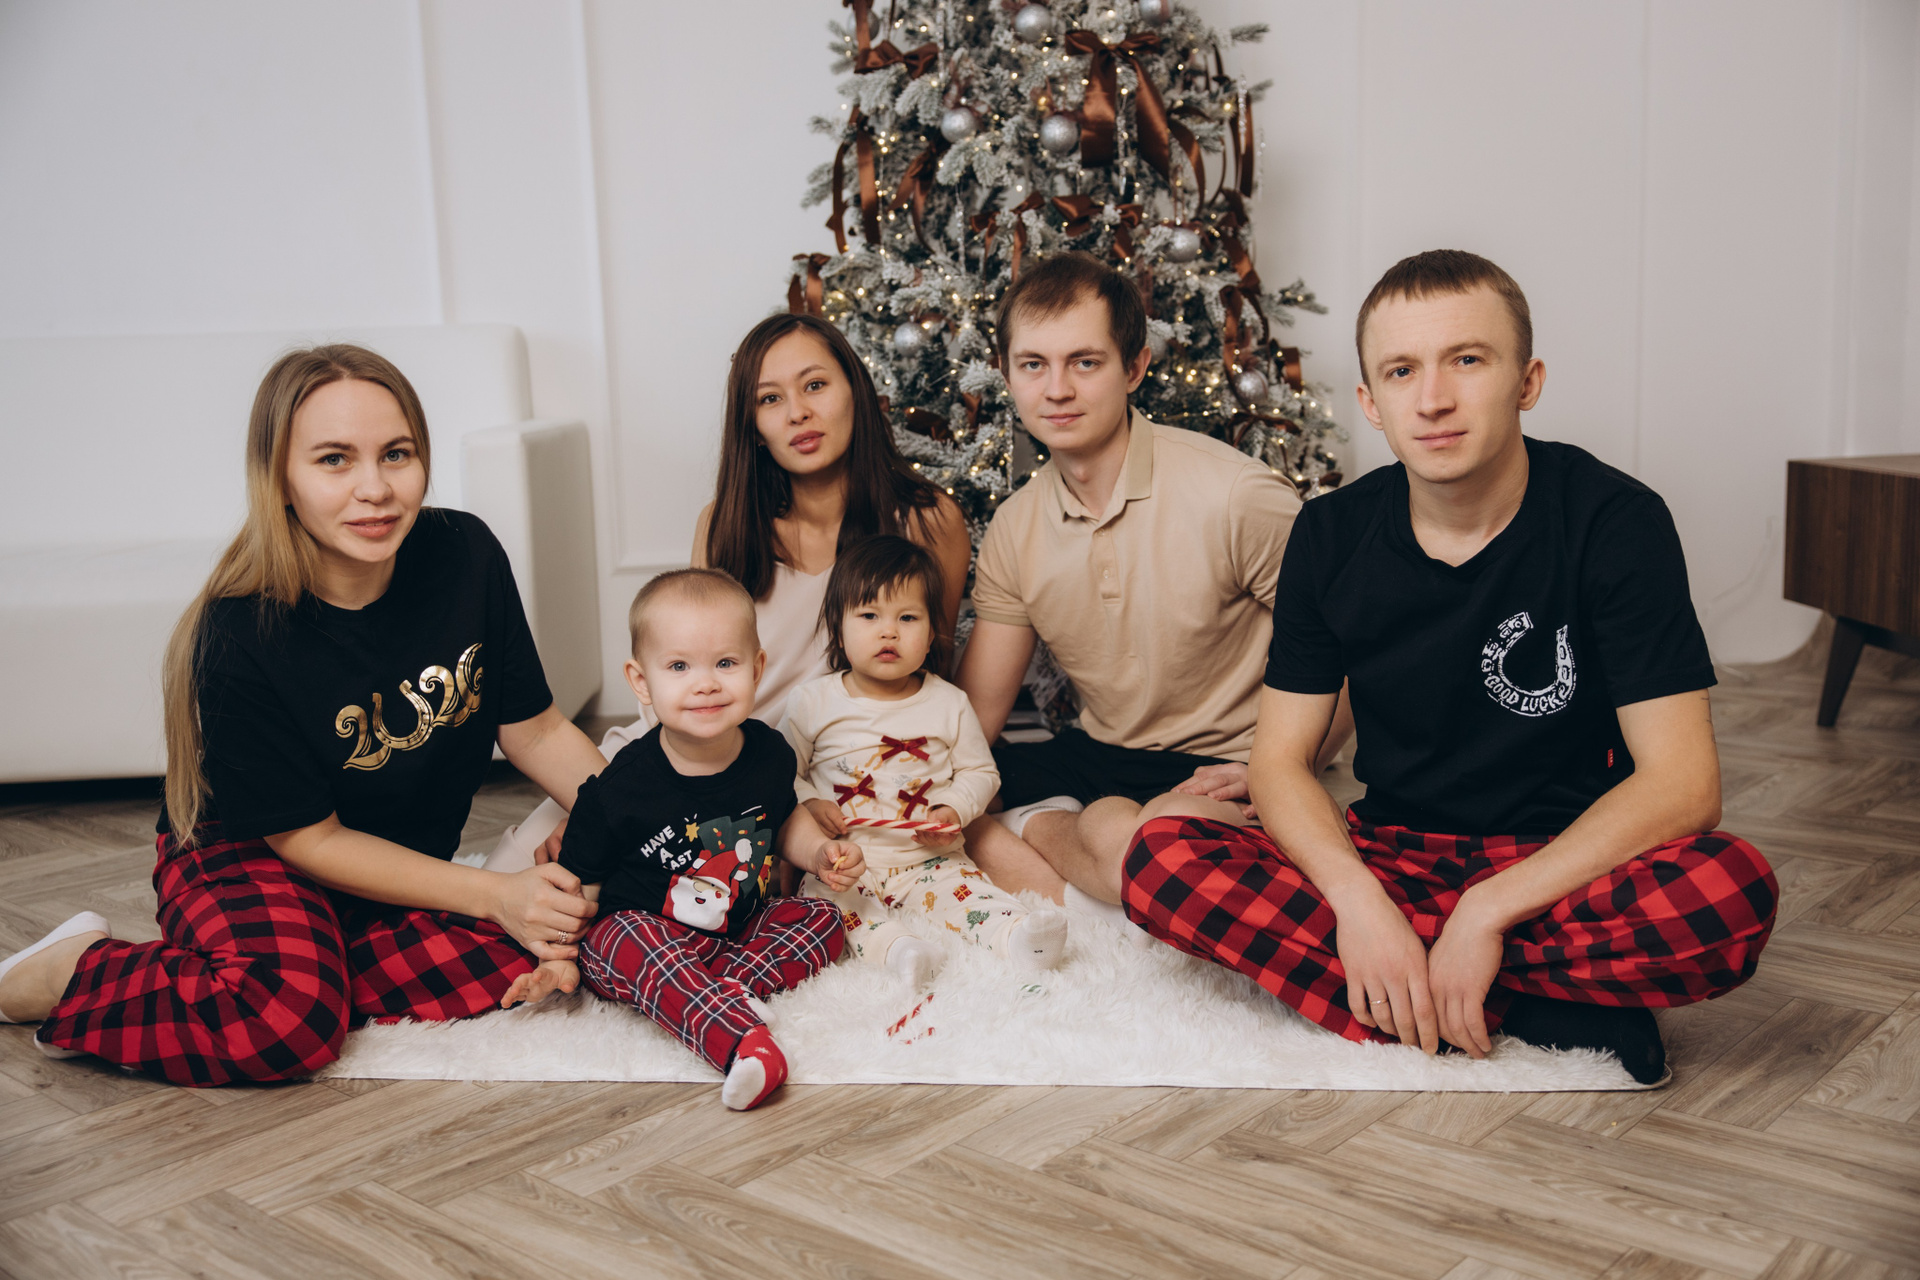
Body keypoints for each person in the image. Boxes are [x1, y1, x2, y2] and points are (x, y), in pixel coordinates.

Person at [1123, 250, 1778, 1083]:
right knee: (1161, 855)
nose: (1432, 399)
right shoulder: (1331, 534)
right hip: (1391, 853)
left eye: (1466, 360)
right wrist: (1360, 905)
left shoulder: (1616, 522)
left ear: (1526, 382)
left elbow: (1685, 784)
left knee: (1728, 893)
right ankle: (1537, 1006)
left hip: (1564, 863)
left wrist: (1487, 912)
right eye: (1402, 371)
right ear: (1371, 401)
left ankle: (1410, 994)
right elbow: (1280, 761)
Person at [0, 345, 609, 1085]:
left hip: (385, 860)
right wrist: (494, 894)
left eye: (396, 454)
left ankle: (307, 968)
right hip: (253, 852)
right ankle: (74, 971)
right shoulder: (238, 630)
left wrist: (635, 821)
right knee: (285, 1023)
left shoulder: (465, 553)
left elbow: (535, 729)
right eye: (333, 460)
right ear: (280, 479)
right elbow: (310, 840)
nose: (374, 489)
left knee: (571, 930)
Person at [488, 312, 971, 870]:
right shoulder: (725, 524)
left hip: (814, 779)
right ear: (753, 424)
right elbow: (681, 670)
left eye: (815, 385)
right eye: (770, 399)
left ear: (856, 392)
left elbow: (928, 677)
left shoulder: (928, 522)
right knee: (517, 868)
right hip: (680, 750)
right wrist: (606, 802)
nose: (797, 412)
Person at [955, 252, 1341, 919]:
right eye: (1033, 365)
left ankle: (1090, 876)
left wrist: (1279, 773)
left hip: (1228, 761)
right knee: (968, 802)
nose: (1056, 390)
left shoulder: (1234, 495)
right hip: (1102, 754)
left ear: (1134, 368)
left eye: (1085, 362)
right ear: (1007, 375)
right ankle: (1119, 890)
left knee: (1133, 833)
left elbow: (1350, 652)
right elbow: (974, 719)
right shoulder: (1015, 527)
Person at [504, 569, 856, 1111]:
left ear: (757, 668)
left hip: (734, 933)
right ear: (641, 681)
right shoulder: (619, 788)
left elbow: (784, 820)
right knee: (619, 937)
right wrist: (562, 961)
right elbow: (581, 889)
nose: (706, 683)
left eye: (725, 663)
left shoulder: (770, 754)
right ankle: (744, 1044)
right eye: (678, 667)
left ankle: (720, 991)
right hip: (646, 937)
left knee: (822, 918)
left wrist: (819, 853)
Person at [784, 537, 1068, 987]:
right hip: (844, 859)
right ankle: (899, 951)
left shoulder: (948, 703)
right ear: (838, 629)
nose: (889, 632)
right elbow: (783, 773)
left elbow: (981, 772)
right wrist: (810, 804)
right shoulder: (811, 702)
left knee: (972, 894)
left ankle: (1018, 936)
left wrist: (954, 808)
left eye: (908, 618)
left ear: (933, 632)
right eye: (869, 616)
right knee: (832, 906)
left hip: (929, 858)